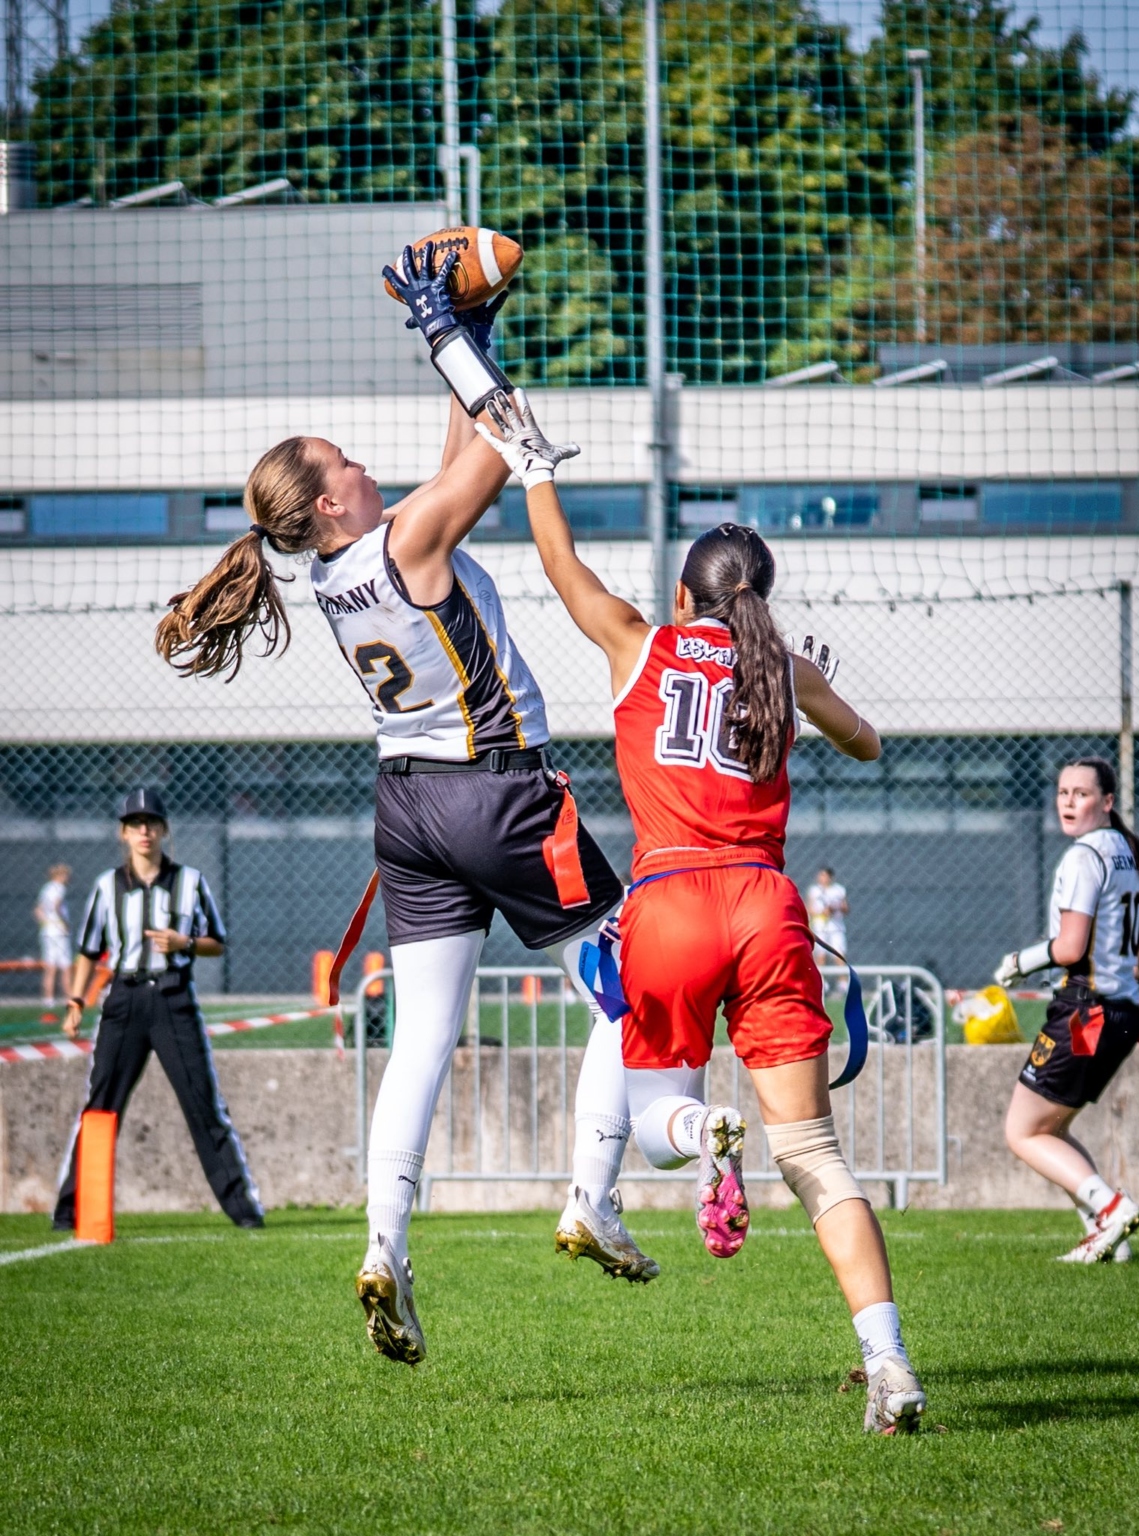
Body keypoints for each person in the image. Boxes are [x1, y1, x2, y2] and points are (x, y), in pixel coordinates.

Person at [154, 249, 654, 1369]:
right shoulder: (404, 543)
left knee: (422, 1041)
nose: (364, 461)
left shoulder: (342, 569)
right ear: (330, 502)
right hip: (501, 794)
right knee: (632, 991)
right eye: (345, 461)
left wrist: (474, 323)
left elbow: (456, 449)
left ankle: (386, 1244)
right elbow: (501, 442)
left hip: (408, 809)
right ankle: (595, 1194)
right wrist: (448, 330)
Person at [477, 391, 927, 1434]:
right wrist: (814, 697)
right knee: (815, 1157)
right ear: (762, 598)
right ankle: (889, 1362)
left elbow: (561, 570)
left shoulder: (643, 644)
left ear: (686, 593)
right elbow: (869, 743)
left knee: (649, 1126)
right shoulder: (786, 667)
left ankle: (700, 1124)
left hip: (671, 901)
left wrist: (535, 467)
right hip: (768, 908)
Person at [53, 787, 263, 1232]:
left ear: (164, 830)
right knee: (100, 1104)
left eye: (151, 823)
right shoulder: (106, 887)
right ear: (123, 834)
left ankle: (244, 1210)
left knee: (203, 1104)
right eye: (134, 824)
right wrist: (75, 1000)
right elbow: (89, 950)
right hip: (124, 1001)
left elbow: (217, 943)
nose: (144, 831)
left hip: (174, 1000)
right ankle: (71, 1208)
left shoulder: (190, 881)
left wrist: (184, 942)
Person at [997, 756, 1139, 1264]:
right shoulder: (1130, 852)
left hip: (1088, 1013)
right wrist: (1131, 978)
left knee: (1022, 1131)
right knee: (1051, 1127)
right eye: (1062, 792)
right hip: (1120, 1013)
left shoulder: (1086, 856)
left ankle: (1112, 1207)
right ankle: (1109, 1239)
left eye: (1081, 793)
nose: (1068, 802)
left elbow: (1068, 947)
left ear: (1107, 802)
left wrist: (1019, 961)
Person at [34, 862, 73, 1022]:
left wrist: (46, 923)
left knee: (50, 968)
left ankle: (48, 1001)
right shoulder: (58, 888)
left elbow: (38, 910)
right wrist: (63, 923)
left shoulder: (46, 888)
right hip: (59, 933)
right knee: (66, 967)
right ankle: (70, 999)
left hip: (47, 932)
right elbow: (57, 905)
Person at [806, 866, 849, 992]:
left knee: (839, 953)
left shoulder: (839, 890)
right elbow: (809, 908)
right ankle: (822, 982)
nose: (822, 878)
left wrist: (836, 908)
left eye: (824, 876)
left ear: (830, 877)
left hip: (835, 927)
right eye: (820, 875)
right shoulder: (814, 891)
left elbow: (846, 908)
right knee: (820, 954)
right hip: (820, 926)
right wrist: (821, 912)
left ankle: (843, 982)